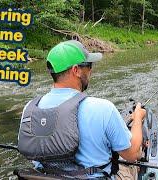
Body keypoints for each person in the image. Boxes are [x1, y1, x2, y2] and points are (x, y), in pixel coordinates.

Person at [18, 40, 146, 179]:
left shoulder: (30, 108)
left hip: (46, 177)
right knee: (133, 161)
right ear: (76, 70)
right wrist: (138, 118)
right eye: (89, 66)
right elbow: (132, 155)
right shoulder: (103, 108)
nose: (91, 71)